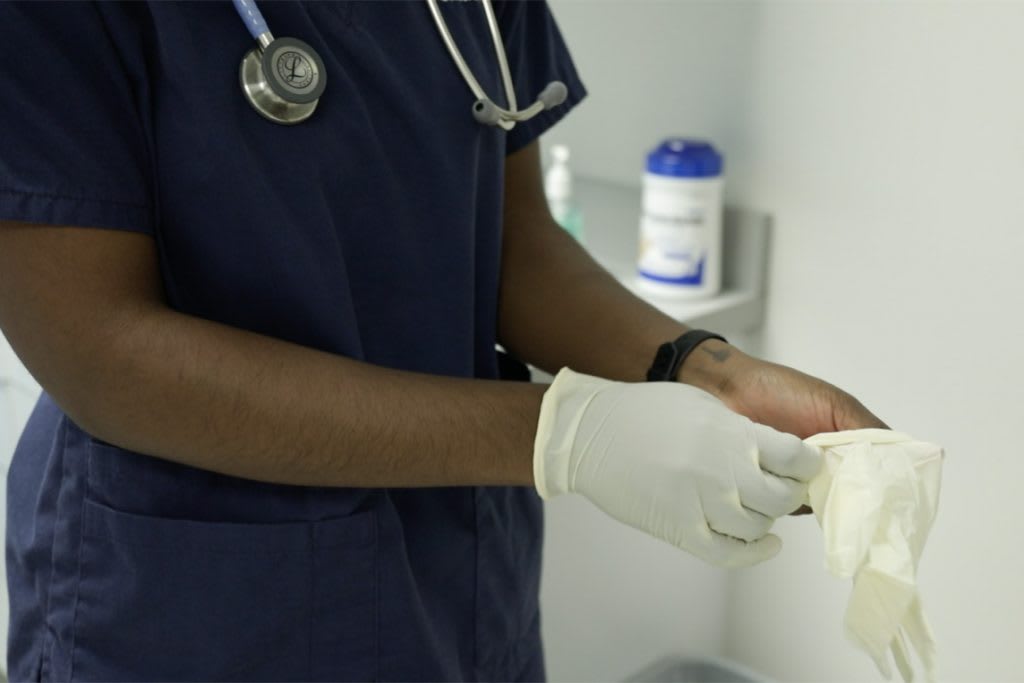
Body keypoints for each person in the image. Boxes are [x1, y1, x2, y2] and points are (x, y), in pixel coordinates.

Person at [0, 1, 885, 681]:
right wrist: (566, 433)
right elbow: (99, 348)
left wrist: (703, 370)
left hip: (458, 581)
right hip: (196, 603)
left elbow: (517, 244)